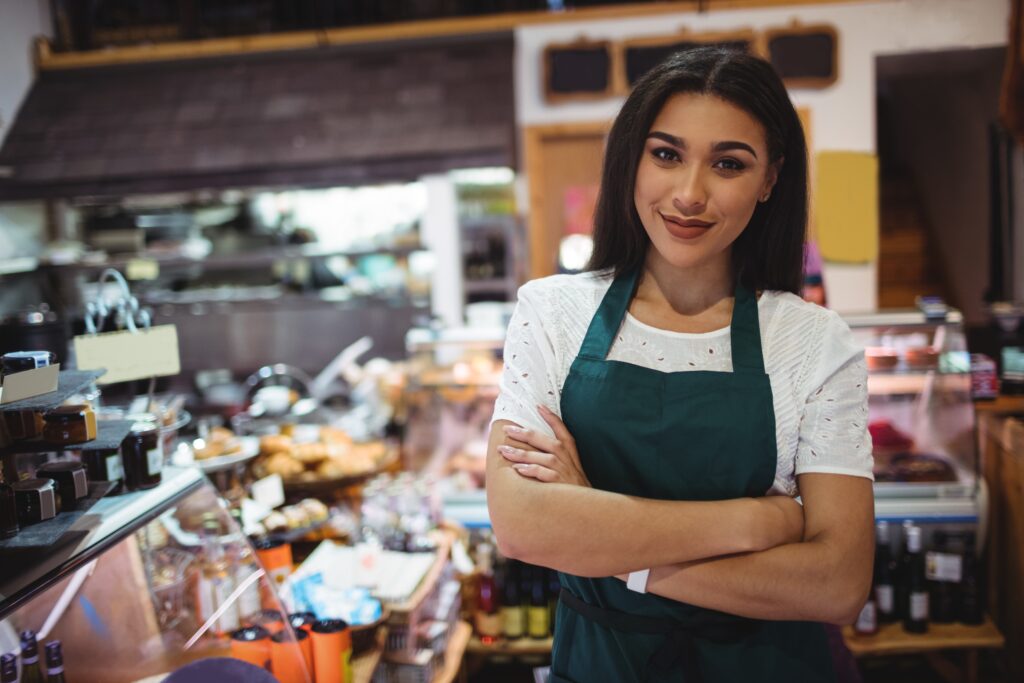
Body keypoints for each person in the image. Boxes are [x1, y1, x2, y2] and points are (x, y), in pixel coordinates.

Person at [486, 46, 874, 683]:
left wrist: (598, 534)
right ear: (632, 160)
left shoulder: (812, 340)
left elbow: (835, 585)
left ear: (771, 179)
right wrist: (754, 521)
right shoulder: (552, 312)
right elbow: (523, 525)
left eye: (728, 163)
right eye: (666, 154)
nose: (690, 194)